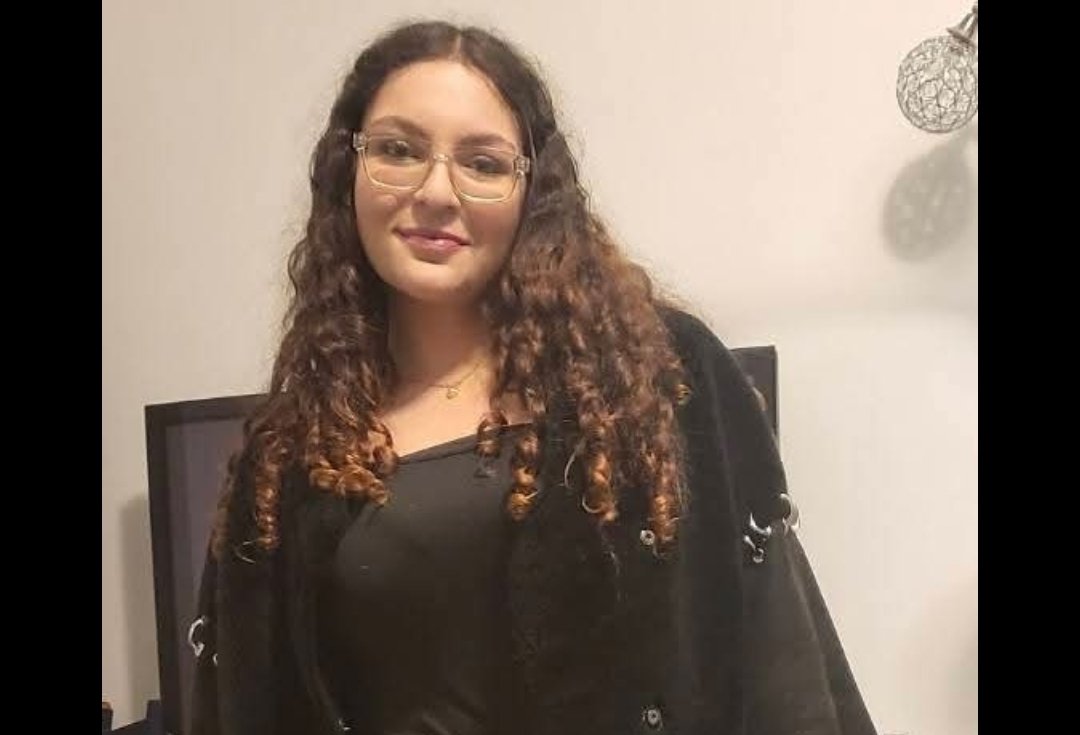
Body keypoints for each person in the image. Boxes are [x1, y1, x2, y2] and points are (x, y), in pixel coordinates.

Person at [189, 19, 877, 735]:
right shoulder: (290, 451)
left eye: (483, 163)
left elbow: (782, 665)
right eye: (398, 150)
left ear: (532, 190)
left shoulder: (661, 380)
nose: (436, 191)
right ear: (348, 171)